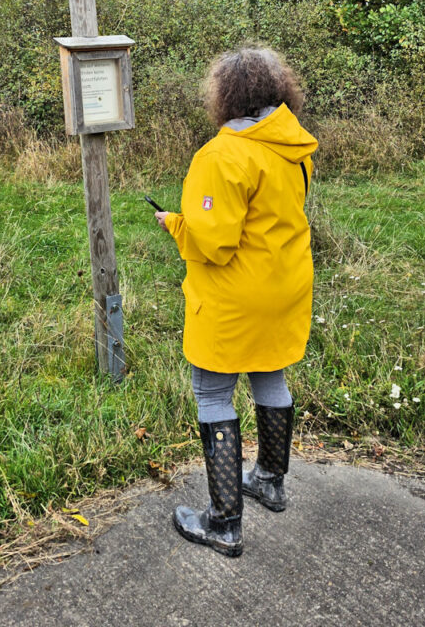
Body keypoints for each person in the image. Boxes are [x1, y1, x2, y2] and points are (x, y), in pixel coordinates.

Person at [155, 46, 318, 558]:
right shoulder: (293, 146)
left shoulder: (221, 155)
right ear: (277, 90)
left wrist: (175, 224)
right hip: (285, 286)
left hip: (234, 297)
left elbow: (214, 243)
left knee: (211, 393)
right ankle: (270, 480)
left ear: (224, 96)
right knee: (271, 375)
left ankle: (224, 522)